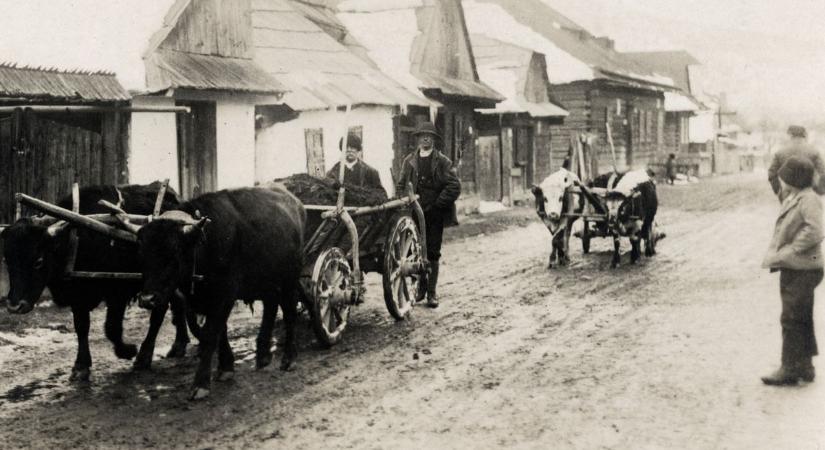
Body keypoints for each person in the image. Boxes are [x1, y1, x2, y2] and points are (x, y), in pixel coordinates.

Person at [761, 155, 824, 385]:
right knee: (801, 316)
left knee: (791, 317)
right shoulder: (797, 197)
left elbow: (816, 230)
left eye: (784, 178)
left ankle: (789, 368)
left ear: (794, 179)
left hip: (803, 266)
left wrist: (792, 250)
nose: (781, 182)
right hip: (798, 266)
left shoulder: (808, 199)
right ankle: (805, 366)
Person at [396, 122, 461, 308]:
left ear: (433, 139)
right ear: (417, 138)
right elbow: (400, 186)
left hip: (434, 214)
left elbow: (454, 186)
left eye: (429, 135)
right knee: (415, 251)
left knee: (432, 252)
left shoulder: (443, 162)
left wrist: (438, 204)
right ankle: (421, 289)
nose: (425, 138)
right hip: (414, 214)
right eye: (422, 135)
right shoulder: (408, 161)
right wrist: (406, 200)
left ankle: (431, 293)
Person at [768, 125, 825, 201]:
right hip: (809, 192)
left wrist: (778, 190)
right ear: (804, 135)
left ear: (790, 135)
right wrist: (819, 191)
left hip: (788, 193)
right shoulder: (814, 151)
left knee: (790, 212)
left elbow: (772, 173)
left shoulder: (780, 152)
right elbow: (823, 173)